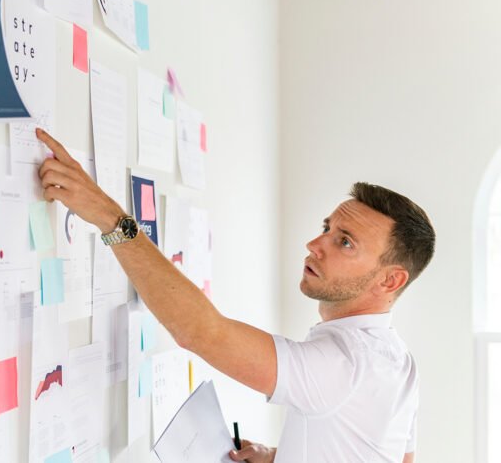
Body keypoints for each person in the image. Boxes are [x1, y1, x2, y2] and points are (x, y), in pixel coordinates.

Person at [35, 128, 433, 463]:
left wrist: (109, 217)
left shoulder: (342, 364)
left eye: (344, 242)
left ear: (390, 281)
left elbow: (200, 332)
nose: (315, 243)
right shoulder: (396, 359)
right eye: (327, 228)